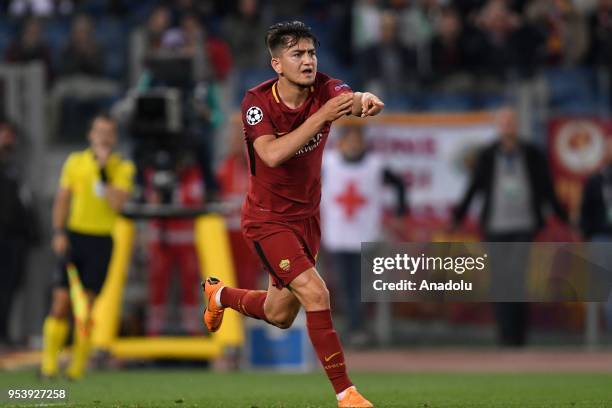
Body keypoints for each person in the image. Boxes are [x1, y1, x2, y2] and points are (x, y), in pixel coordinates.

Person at [201, 21, 383, 407]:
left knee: (279, 314)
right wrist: (322, 117)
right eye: (297, 54)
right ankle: (346, 392)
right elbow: (271, 154)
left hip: (307, 220)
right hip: (267, 220)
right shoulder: (256, 104)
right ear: (277, 64)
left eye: (311, 53)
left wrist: (364, 99)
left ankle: (219, 295)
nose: (307, 61)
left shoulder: (326, 88)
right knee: (318, 294)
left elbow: (346, 96)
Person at [452, 106, 569, 347]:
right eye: (504, 122)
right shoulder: (487, 155)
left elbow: (547, 188)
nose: (508, 127)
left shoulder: (532, 154)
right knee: (501, 280)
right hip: (495, 226)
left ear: (518, 125)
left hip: (524, 225)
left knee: (519, 279)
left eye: (512, 122)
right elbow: (473, 188)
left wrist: (563, 217)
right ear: (498, 126)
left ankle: (519, 336)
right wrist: (458, 217)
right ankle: (504, 335)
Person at [40, 113, 135, 379]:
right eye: (99, 131)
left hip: (100, 241)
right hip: (74, 238)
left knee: (85, 307)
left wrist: (104, 172)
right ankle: (49, 365)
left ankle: (77, 366)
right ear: (90, 135)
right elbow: (63, 198)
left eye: (109, 132)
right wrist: (59, 231)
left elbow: (117, 205)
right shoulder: (75, 162)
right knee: (60, 301)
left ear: (114, 138)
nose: (104, 137)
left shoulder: (122, 168)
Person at [321, 125, 407, 347]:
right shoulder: (328, 163)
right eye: (349, 140)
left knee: (361, 286)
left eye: (356, 140)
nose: (353, 145)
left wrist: (400, 213)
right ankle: (354, 328)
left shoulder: (375, 165)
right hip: (338, 235)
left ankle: (357, 328)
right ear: (341, 142)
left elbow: (399, 184)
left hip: (364, 234)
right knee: (342, 284)